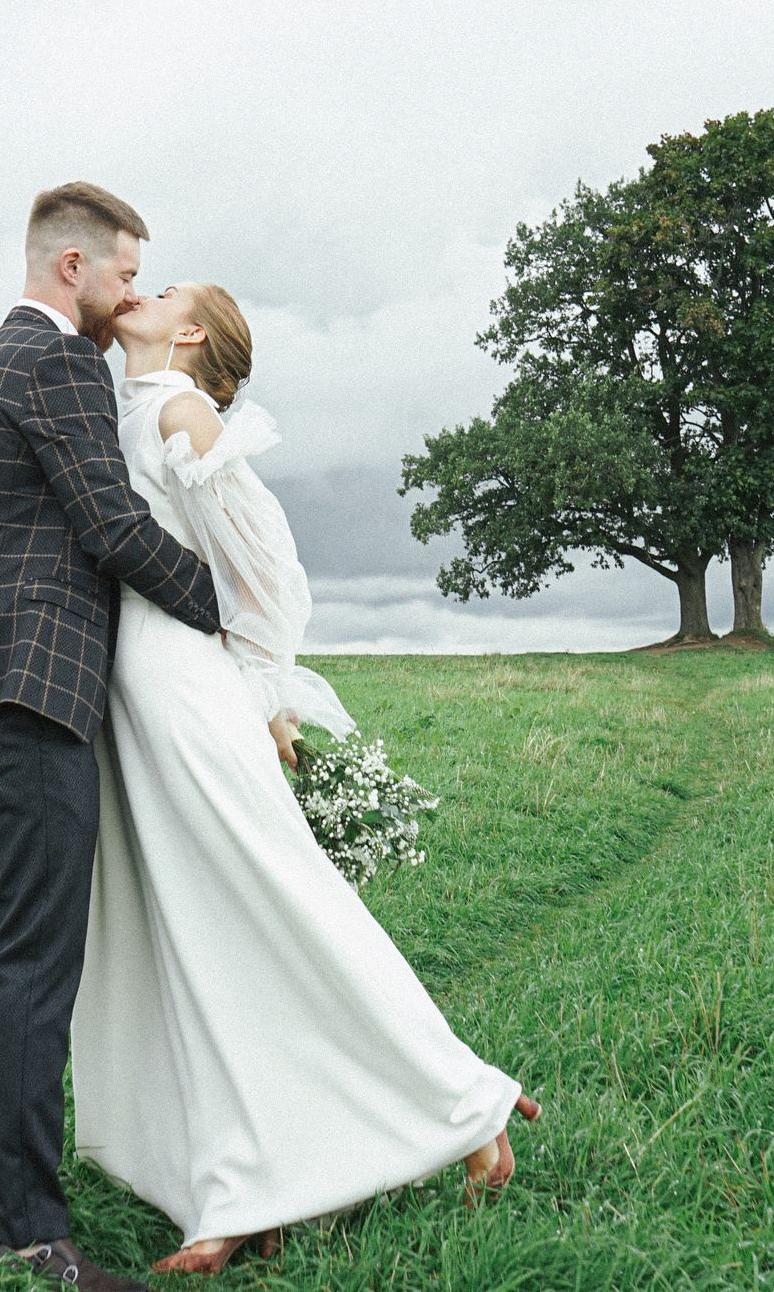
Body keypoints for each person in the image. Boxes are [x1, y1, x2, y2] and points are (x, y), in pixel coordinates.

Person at [70, 279, 540, 1275]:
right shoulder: (123, 406)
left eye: (158, 288)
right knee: (193, 936)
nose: (134, 292)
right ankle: (240, 1185)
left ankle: (463, 1100)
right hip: (135, 705)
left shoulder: (176, 408)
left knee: (280, 905)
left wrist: (264, 688)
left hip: (184, 695)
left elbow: (266, 571)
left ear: (189, 333)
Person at [0, 183, 223, 1292]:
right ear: (74, 267)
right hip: (21, 680)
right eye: (129, 274)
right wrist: (225, 612)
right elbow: (112, 524)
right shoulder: (55, 362)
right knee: (34, 959)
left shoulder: (2, 357)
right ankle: (27, 1234)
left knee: (14, 949)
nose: (136, 291)